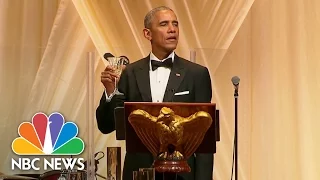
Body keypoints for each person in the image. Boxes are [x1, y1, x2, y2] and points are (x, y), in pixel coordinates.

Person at [96, 6, 214, 180]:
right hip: (139, 173)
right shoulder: (131, 72)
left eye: (175, 24)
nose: (172, 29)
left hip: (182, 174)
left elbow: (205, 139)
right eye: (164, 24)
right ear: (147, 33)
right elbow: (106, 126)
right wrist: (110, 93)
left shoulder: (197, 74)